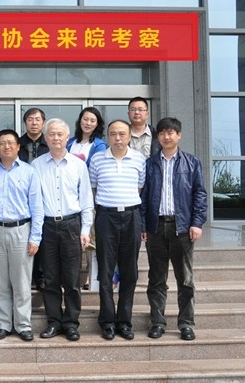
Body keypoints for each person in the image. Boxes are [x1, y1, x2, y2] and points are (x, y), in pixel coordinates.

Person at [141, 117, 207, 341]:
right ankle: (158, 322)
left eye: (171, 132)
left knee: (185, 280)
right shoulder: (150, 164)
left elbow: (199, 194)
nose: (166, 136)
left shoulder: (192, 162)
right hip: (156, 227)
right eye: (162, 133)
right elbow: (143, 197)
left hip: (182, 227)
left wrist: (197, 222)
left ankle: (186, 323)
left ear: (179, 135)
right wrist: (144, 225)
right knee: (156, 279)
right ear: (157, 137)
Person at [31, 119, 94, 342]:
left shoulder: (78, 165)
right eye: (52, 134)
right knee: (50, 278)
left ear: (67, 138)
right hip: (47, 225)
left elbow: (86, 200)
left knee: (72, 278)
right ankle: (54, 322)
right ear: (45, 138)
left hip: (71, 225)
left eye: (60, 134)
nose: (56, 138)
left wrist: (85, 229)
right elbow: (34, 202)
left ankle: (71, 323)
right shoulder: (36, 165)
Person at [0, 129, 43, 342]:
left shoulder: (29, 172)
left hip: (21, 231)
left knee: (22, 282)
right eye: (2, 143)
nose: (6, 146)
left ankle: (23, 325)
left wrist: (35, 237)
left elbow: (36, 206)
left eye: (10, 143)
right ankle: (3, 324)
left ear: (18, 147)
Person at [89, 120, 146, 341]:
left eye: (122, 134)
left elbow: (140, 188)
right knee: (105, 271)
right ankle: (107, 321)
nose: (118, 138)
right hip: (106, 217)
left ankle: (124, 321)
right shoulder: (97, 159)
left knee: (130, 271)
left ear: (129, 136)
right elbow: (94, 189)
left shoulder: (139, 159)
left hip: (131, 216)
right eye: (113, 134)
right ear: (108, 136)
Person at [67, 107, 107, 290]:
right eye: (85, 119)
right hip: (69, 193)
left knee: (91, 237)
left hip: (89, 194)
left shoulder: (99, 145)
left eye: (92, 120)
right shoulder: (70, 143)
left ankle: (91, 277)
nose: (88, 123)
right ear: (80, 120)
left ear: (97, 124)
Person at [18, 107, 49, 292]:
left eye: (38, 119)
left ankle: (41, 276)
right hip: (21, 196)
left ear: (43, 123)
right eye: (30, 119)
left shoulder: (49, 143)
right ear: (25, 123)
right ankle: (25, 276)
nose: (34, 123)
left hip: (45, 195)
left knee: (41, 237)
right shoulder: (18, 144)